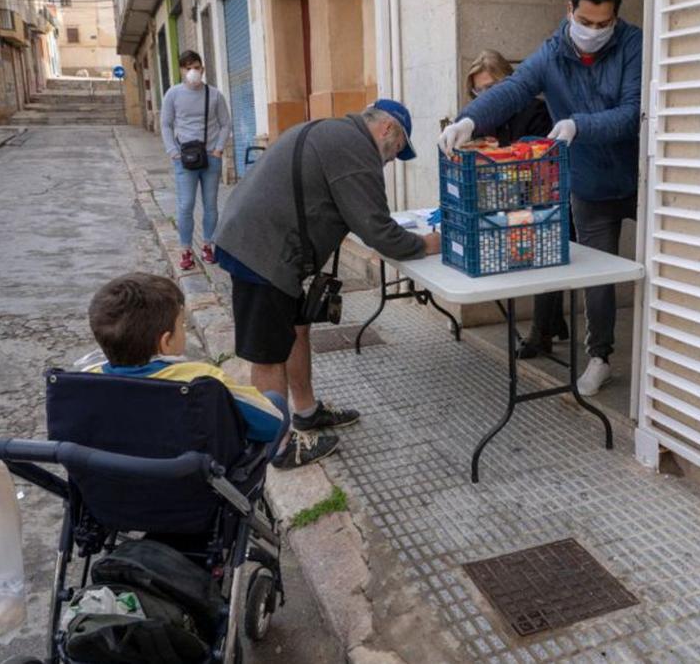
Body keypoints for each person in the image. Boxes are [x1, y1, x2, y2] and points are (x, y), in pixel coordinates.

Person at [439, 0, 641, 396]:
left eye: (604, 25)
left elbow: (633, 111)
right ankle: (600, 357)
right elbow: (513, 88)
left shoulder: (633, 44)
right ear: (570, 11)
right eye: (586, 22)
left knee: (661, 270)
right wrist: (469, 121)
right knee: (598, 279)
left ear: (616, 19)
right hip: (590, 184)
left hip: (642, 175)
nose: (594, 32)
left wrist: (577, 125)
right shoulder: (551, 52)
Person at [214, 100, 442, 461]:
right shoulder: (357, 151)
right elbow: (378, 231)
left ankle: (306, 412)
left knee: (297, 329)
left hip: (264, 241)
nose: (390, 161)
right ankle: (276, 447)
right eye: (397, 150)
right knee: (268, 353)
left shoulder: (336, 132)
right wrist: (427, 244)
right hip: (261, 249)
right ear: (387, 130)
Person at [85, 272, 304, 461]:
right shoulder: (202, 380)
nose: (184, 330)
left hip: (111, 497)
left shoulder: (85, 382)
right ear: (166, 341)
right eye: (181, 325)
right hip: (194, 496)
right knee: (276, 404)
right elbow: (271, 422)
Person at [465, 49, 572, 360]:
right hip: (507, 199)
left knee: (545, 259)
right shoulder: (479, 118)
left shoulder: (535, 111)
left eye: (490, 88)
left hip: (544, 195)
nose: (483, 95)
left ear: (508, 83)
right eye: (477, 89)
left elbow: (542, 159)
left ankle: (541, 333)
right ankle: (554, 321)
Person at [161, 50, 232, 272]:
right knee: (186, 205)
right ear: (182, 70)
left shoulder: (215, 95)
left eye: (197, 67)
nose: (193, 71)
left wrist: (219, 149)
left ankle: (208, 245)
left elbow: (225, 123)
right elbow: (166, 124)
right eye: (188, 67)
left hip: (211, 158)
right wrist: (172, 150)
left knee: (211, 205)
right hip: (185, 159)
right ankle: (185, 250)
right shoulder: (173, 94)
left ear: (203, 68)